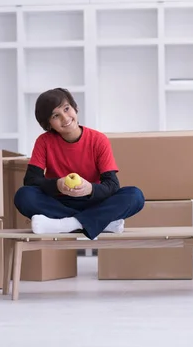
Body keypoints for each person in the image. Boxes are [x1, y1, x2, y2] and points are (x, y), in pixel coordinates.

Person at [13, 88, 145, 240]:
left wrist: (90, 188)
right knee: (23, 196)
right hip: (60, 201)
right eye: (56, 116)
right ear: (48, 124)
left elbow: (112, 186)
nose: (65, 118)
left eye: (66, 109)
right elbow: (31, 181)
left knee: (135, 195)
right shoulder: (44, 142)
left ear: (75, 108)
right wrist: (58, 185)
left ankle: (66, 224)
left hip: (94, 201)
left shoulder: (98, 140)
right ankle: (100, 222)